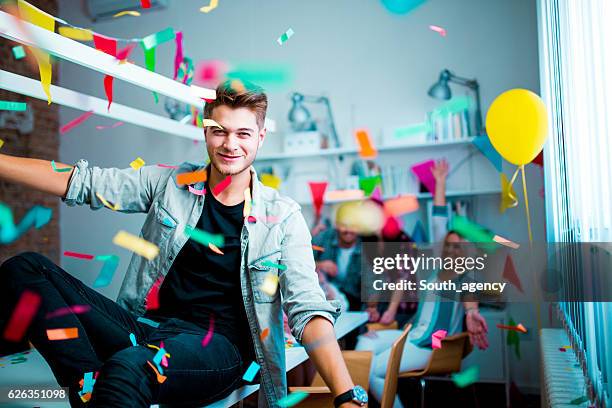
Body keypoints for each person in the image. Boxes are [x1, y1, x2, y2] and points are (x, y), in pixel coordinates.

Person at [0, 82, 368, 408]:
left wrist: (346, 396)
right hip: (145, 328)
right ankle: (86, 386)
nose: (230, 144)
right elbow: (83, 182)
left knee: (132, 367)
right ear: (205, 130)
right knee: (24, 269)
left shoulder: (283, 217)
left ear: (260, 137)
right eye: (219, 131)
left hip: (218, 350)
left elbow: (307, 310)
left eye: (243, 133)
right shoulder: (169, 183)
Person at [355, 160, 489, 408]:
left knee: (372, 368)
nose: (451, 249)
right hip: (413, 334)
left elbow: (471, 298)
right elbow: (439, 221)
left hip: (432, 345)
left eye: (457, 246)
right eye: (448, 244)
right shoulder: (435, 270)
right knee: (365, 343)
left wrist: (472, 312)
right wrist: (439, 182)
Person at [311, 204, 364, 312]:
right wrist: (320, 265)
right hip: (324, 299)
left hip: (355, 305)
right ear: (336, 224)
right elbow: (301, 262)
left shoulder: (367, 246)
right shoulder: (323, 238)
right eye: (344, 225)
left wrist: (372, 308)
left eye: (353, 225)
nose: (348, 230)